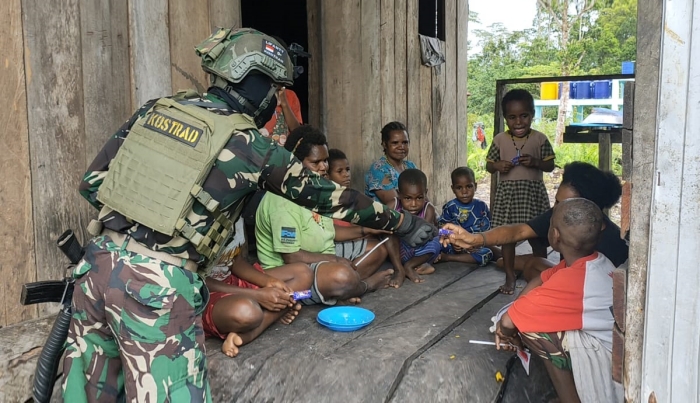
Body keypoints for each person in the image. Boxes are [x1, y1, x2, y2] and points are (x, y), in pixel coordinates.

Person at [64, 28, 434, 403]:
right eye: (273, 88)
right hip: (157, 286)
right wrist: (403, 223)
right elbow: (331, 199)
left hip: (95, 268)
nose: (274, 100)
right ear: (252, 82)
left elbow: (93, 185)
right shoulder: (249, 145)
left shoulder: (155, 110)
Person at [494, 198, 622, 403]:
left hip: (609, 364)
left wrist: (505, 331)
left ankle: (570, 399)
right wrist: (515, 314)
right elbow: (540, 279)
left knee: (535, 330)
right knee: (531, 316)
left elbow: (509, 321)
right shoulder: (594, 261)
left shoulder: (574, 281)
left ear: (554, 235)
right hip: (612, 346)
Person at [256, 125, 398, 304]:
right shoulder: (282, 200)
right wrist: (335, 259)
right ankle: (362, 286)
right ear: (295, 163)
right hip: (293, 271)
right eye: (316, 163)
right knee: (341, 274)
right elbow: (291, 257)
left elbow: (330, 232)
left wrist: (366, 229)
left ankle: (341, 288)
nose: (324, 167)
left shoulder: (315, 189)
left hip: (322, 253)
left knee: (377, 249)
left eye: (325, 161)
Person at [440, 162, 628, 280]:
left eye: (562, 204)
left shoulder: (610, 244)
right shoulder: (561, 214)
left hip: (587, 291)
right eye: (556, 202)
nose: (555, 209)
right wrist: (474, 238)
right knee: (528, 265)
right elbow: (519, 231)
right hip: (569, 276)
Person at [201, 218, 311, 358]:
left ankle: (268, 314)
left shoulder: (234, 212)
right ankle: (252, 332)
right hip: (200, 294)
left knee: (303, 273)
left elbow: (235, 261)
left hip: (230, 282)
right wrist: (257, 295)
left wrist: (268, 282)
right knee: (247, 312)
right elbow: (196, 280)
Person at [486, 89, 556, 294]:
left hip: (532, 196)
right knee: (508, 237)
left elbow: (550, 165)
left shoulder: (540, 139)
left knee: (538, 237)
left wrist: (535, 162)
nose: (518, 122)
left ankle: (540, 274)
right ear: (505, 118)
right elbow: (489, 166)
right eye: (512, 117)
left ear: (532, 114)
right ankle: (509, 276)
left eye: (524, 116)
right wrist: (498, 166)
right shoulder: (499, 139)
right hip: (508, 197)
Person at [325, 147, 412, 289]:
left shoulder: (351, 196)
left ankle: (400, 268)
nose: (346, 175)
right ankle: (350, 283)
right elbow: (335, 232)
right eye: (340, 171)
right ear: (327, 175)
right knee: (380, 247)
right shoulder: (327, 200)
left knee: (386, 229)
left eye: (348, 170)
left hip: (356, 240)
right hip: (337, 245)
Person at [437, 167, 500, 265]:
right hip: (455, 245)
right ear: (453, 189)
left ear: (475, 186)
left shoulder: (481, 206)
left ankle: (453, 258)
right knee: (439, 245)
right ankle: (449, 257)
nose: (464, 191)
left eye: (469, 186)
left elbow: (487, 230)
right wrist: (453, 241)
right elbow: (441, 229)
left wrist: (476, 242)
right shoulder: (450, 207)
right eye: (459, 188)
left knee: (487, 253)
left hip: (476, 245)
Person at [392, 169, 443, 284]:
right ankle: (399, 268)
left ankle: (410, 266)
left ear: (425, 193)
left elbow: (425, 235)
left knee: (436, 241)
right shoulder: (393, 205)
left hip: (418, 251)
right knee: (388, 236)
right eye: (408, 198)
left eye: (419, 198)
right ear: (399, 194)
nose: (414, 204)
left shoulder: (428, 209)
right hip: (398, 250)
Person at [260, 37, 302, 146]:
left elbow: (296, 130)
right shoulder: (255, 92)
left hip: (283, 156)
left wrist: (284, 103)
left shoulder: (290, 96)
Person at [365, 121, 418, 205]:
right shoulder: (379, 169)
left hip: (414, 214)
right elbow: (397, 206)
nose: (401, 147)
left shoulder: (410, 166)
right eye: (395, 143)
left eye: (405, 142)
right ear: (384, 144)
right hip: (391, 216)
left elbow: (423, 197)